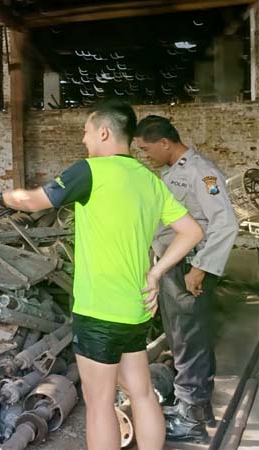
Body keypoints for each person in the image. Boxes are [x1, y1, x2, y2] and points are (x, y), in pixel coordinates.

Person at [0, 99, 203, 450]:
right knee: (142, 394)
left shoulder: (90, 171)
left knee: (99, 404)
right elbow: (191, 231)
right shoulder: (149, 181)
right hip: (135, 309)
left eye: (86, 132)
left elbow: (34, 200)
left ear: (104, 131)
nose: (84, 140)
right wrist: (155, 273)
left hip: (98, 311)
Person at [134, 115, 238, 443]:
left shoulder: (199, 172)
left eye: (147, 149)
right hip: (175, 267)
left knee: (188, 338)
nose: (145, 156)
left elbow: (225, 223)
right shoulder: (172, 172)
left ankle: (191, 419)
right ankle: (196, 405)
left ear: (166, 143)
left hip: (190, 269)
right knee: (184, 336)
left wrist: (201, 268)